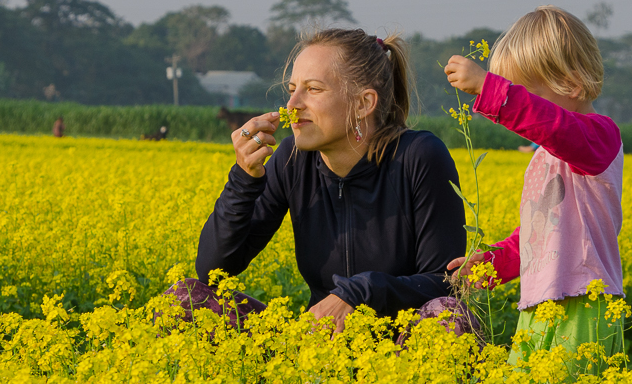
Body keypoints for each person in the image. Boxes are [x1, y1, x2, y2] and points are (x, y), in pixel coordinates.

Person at [171, 29, 471, 335]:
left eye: (313, 89)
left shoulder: (418, 157)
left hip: (401, 356)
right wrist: (244, 178)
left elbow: (445, 283)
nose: (293, 104)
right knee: (184, 301)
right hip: (318, 346)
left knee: (448, 316)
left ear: (363, 103)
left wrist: (360, 292)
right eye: (291, 89)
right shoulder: (291, 160)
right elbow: (212, 272)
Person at [444, 6, 624, 361]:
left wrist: (492, 91)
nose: (518, 104)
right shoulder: (546, 155)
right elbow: (539, 234)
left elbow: (553, 125)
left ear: (571, 84)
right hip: (538, 306)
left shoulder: (598, 137)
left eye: (523, 91)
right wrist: (493, 264)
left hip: (583, 303)